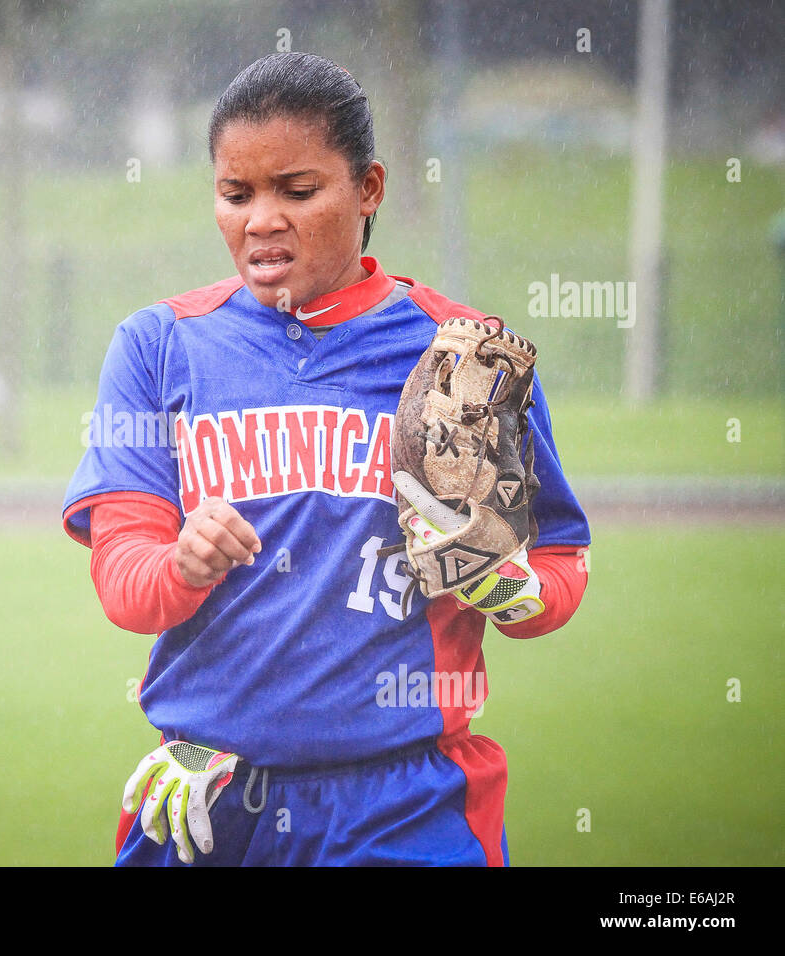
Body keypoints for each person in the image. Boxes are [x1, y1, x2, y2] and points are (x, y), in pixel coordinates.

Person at [62, 52, 590, 866]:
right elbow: (124, 583)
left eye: (297, 192)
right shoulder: (160, 346)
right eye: (236, 195)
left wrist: (508, 587)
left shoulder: (462, 357)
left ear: (369, 188)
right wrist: (182, 564)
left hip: (407, 805)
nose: (261, 220)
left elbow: (559, 567)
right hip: (210, 792)